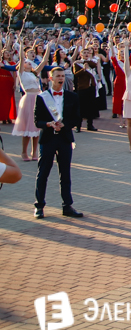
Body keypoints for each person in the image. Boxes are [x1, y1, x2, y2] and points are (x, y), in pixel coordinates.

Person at [32, 66, 83, 219]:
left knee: (65, 173)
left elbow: (76, 118)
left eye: (62, 76)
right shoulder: (42, 97)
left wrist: (65, 125)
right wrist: (48, 124)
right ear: (51, 78)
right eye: (58, 76)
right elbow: (37, 121)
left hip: (64, 138)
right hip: (48, 139)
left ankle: (67, 205)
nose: (61, 78)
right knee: (43, 173)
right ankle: (39, 206)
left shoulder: (72, 96)